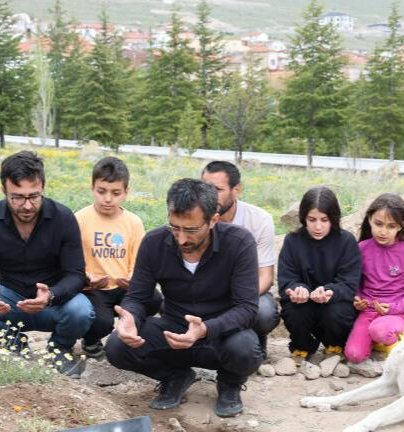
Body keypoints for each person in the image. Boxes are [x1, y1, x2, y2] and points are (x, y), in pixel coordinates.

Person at [106, 178, 263, 417]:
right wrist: (130, 319)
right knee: (117, 346)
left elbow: (247, 308)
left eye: (190, 230)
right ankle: (175, 376)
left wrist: (205, 329)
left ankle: (229, 383)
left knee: (247, 348)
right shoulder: (154, 243)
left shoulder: (239, 243)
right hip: (173, 330)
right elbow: (137, 297)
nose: (181, 239)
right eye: (174, 227)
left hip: (221, 332)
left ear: (213, 220)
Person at [0, 150, 93, 377]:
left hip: (54, 301)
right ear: (4, 190)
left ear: (43, 188)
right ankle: (15, 348)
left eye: (34, 196)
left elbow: (76, 274)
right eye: (18, 197)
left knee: (81, 310)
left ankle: (60, 348)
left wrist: (50, 295)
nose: (27, 206)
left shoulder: (63, 217)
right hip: (10, 299)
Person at [75, 156, 160, 358]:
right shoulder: (79, 218)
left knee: (155, 299)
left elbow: (139, 259)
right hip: (93, 288)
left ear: (126, 192)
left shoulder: (133, 222)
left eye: (116, 193)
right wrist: (87, 277)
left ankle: (132, 329)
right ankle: (91, 339)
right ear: (92, 188)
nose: (107, 199)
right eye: (101, 191)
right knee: (101, 322)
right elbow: (72, 259)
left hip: (124, 287)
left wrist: (133, 278)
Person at [201, 161, 279, 357]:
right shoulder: (196, 216)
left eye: (218, 189)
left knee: (264, 312)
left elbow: (266, 276)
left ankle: (254, 340)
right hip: (206, 290)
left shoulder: (259, 219)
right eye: (205, 188)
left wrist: (240, 298)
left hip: (248, 290)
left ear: (236, 190)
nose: (210, 196)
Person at [278, 186, 362, 362]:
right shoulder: (292, 241)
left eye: (324, 220)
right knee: (293, 310)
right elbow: (287, 280)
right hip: (304, 306)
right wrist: (297, 289)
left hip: (333, 305)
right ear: (303, 218)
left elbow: (350, 283)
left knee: (337, 311)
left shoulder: (346, 241)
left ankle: (335, 345)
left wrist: (330, 291)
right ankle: (303, 346)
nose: (318, 226)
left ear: (333, 218)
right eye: (312, 219)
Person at [344, 193, 404, 363]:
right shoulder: (361, 248)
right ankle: (378, 340)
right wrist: (356, 298)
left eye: (391, 226)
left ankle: (394, 341)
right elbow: (354, 282)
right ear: (370, 219)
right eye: (378, 224)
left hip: (396, 313)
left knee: (380, 330)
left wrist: (394, 308)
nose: (383, 231)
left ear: (401, 226)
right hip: (368, 311)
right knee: (354, 355)